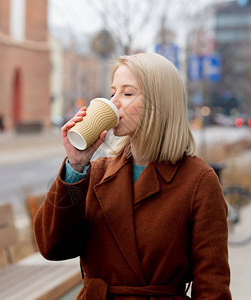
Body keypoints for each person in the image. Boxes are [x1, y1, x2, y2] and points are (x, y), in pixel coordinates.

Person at [34, 53, 231, 299]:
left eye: (127, 94)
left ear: (160, 103)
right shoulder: (95, 173)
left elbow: (212, 285)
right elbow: (52, 247)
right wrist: (76, 164)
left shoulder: (198, 180)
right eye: (113, 92)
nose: (113, 102)